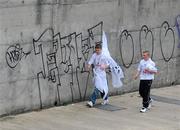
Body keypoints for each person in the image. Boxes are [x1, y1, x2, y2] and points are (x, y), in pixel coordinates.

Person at [86, 43, 109, 107]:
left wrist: (104, 66)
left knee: (99, 87)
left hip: (102, 75)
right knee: (98, 87)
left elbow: (107, 64)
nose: (97, 51)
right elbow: (90, 61)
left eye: (98, 50)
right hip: (96, 74)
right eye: (96, 50)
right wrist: (88, 66)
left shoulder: (104, 56)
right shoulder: (94, 55)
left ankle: (92, 101)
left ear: (101, 50)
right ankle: (105, 98)